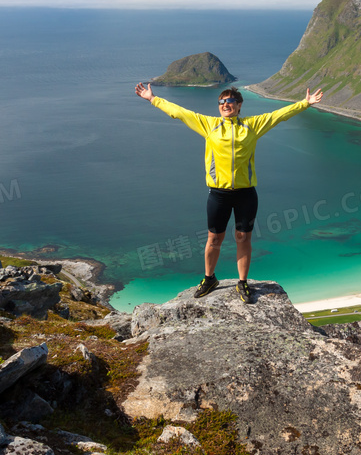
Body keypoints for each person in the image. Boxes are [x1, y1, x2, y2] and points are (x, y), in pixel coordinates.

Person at [134, 82, 323, 303]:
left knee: (243, 237)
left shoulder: (252, 126)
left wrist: (305, 104)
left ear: (239, 105)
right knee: (214, 238)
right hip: (218, 194)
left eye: (229, 101)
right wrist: (153, 99)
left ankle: (242, 283)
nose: (225, 105)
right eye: (221, 102)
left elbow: (278, 115)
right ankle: (209, 278)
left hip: (246, 193)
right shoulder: (209, 125)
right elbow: (180, 113)